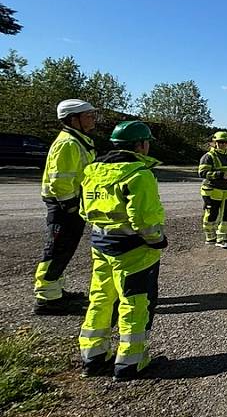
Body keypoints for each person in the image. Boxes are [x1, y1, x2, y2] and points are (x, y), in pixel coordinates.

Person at [78, 121, 166, 380]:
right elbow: (144, 220)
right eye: (147, 142)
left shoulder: (93, 170)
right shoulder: (139, 174)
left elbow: (85, 210)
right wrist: (157, 240)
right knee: (135, 302)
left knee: (100, 298)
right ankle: (130, 361)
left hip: (101, 243)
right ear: (140, 145)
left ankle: (92, 356)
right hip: (134, 251)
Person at [35, 98, 96, 314]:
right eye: (88, 116)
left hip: (71, 204)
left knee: (64, 249)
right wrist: (70, 205)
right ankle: (46, 299)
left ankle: (55, 292)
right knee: (56, 249)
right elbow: (60, 178)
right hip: (64, 205)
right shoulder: (68, 143)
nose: (93, 120)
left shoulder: (78, 140)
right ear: (73, 119)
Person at [197, 131, 227, 249]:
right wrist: (220, 175)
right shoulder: (208, 157)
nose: (222, 144)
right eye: (219, 142)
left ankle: (222, 238)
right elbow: (202, 173)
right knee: (211, 214)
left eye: (224, 142)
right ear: (215, 143)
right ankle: (210, 237)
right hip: (212, 189)